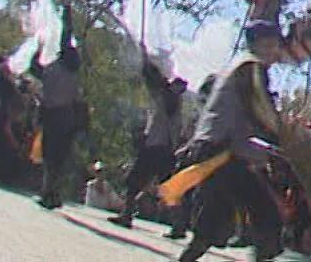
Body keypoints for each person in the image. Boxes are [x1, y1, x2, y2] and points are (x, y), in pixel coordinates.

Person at [176, 19, 284, 262]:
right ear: (260, 43)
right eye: (272, 44)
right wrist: (285, 139)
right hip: (222, 152)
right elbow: (262, 113)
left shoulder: (237, 67)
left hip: (217, 150)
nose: (275, 51)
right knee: (267, 216)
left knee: (213, 221)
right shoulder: (251, 67)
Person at [112, 57, 189, 233]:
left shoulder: (171, 99)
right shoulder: (171, 99)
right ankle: (129, 214)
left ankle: (129, 215)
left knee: (143, 183)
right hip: (161, 148)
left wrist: (145, 60)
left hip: (157, 148)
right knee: (142, 184)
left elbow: (155, 79)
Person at [30, 4, 83, 209]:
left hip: (54, 116)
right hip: (67, 117)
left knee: (51, 156)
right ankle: (53, 193)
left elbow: (35, 69)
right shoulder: (72, 72)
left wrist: (39, 49)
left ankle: (48, 192)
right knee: (59, 157)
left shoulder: (55, 69)